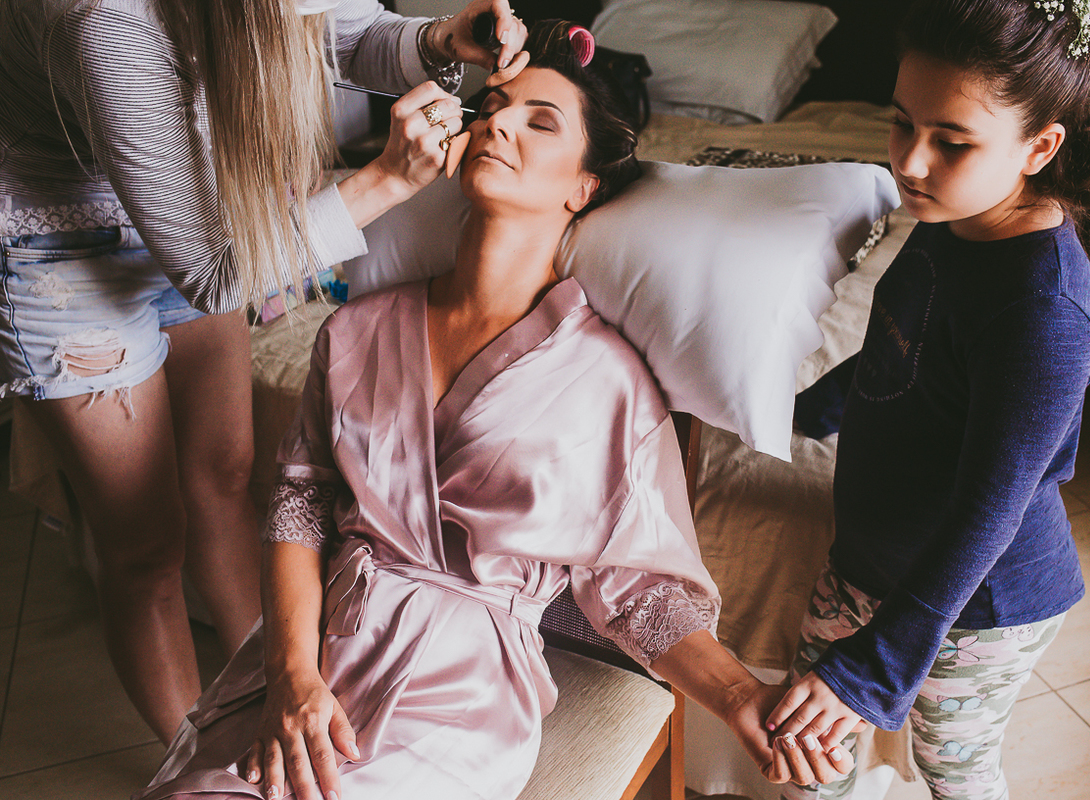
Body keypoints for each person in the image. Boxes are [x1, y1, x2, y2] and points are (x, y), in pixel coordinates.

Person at [135, 21, 849, 800]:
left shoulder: (604, 379)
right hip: (316, 655)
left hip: (462, 691)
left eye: (540, 122)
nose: (496, 122)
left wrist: (744, 697)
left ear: (583, 187)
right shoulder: (356, 330)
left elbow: (637, 590)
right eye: (492, 106)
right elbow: (301, 506)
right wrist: (290, 676)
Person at [0, 0, 527, 743]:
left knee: (223, 475)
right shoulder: (105, 21)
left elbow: (347, 33)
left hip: (195, 217)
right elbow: (215, 277)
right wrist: (384, 180)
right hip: (63, 254)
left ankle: (268, 705)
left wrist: (440, 37)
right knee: (145, 542)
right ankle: (194, 761)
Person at [763, 0, 1090, 796]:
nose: (912, 163)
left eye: (953, 142)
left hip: (979, 607)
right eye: (903, 124)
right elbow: (905, 340)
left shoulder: (1046, 314)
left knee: (952, 773)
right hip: (865, 563)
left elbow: (987, 515)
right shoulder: (956, 215)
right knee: (802, 754)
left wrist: (877, 669)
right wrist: (805, 413)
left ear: (1039, 147)